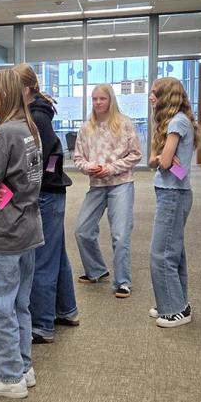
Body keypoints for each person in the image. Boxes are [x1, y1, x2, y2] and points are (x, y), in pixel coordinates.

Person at [0, 69, 43, 399]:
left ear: (1, 95)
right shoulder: (29, 127)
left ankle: (9, 376)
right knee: (19, 303)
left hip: (4, 232)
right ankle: (22, 366)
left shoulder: (2, 133)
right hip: (29, 227)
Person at [14, 63, 78, 343]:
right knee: (56, 254)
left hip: (47, 195)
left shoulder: (37, 118)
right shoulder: (37, 112)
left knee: (42, 260)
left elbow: (52, 153)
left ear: (26, 89)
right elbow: (55, 153)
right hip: (51, 192)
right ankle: (66, 310)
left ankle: (41, 324)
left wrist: (42, 180)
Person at [74, 84, 142, 298]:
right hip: (96, 186)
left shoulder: (124, 124)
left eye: (102, 98)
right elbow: (78, 158)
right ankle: (96, 270)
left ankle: (122, 281)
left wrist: (111, 168)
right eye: (94, 99)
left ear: (111, 100)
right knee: (82, 230)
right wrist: (89, 168)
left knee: (120, 235)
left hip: (121, 183)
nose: (98, 103)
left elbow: (135, 155)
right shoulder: (86, 128)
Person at [148, 77, 199, 328]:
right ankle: (173, 301)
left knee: (162, 254)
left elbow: (165, 162)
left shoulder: (177, 121)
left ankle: (176, 310)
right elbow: (154, 161)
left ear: (167, 96)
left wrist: (162, 158)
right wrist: (161, 158)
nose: (150, 98)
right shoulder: (172, 122)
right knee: (173, 251)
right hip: (171, 190)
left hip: (173, 194)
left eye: (155, 93)